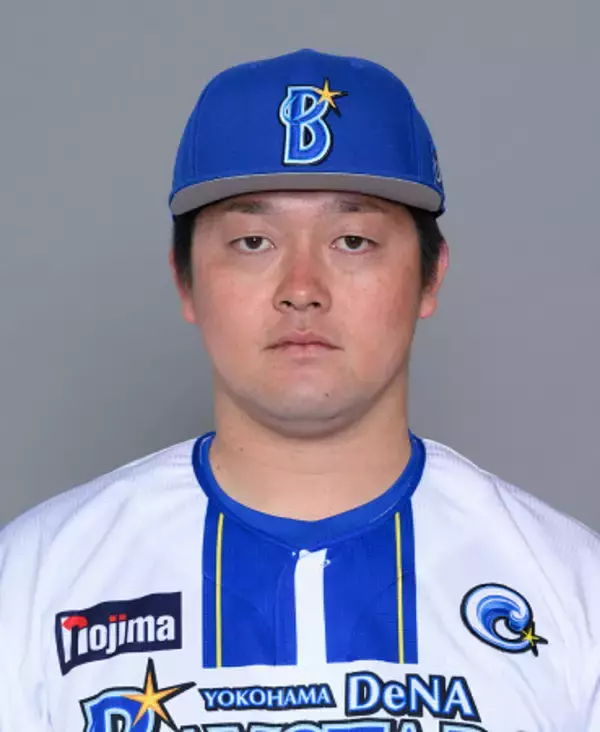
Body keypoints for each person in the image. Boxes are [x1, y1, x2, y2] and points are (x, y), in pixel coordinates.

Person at [0, 48, 598, 732]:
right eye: (254, 242)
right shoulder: (36, 581)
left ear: (430, 277)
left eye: (353, 241)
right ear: (184, 279)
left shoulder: (571, 588)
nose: (303, 290)